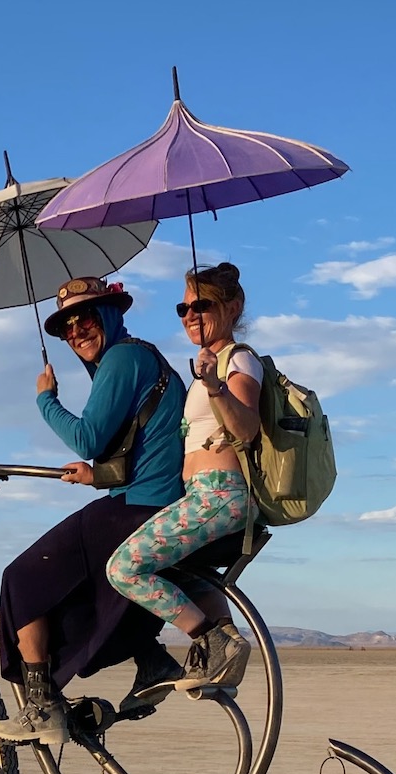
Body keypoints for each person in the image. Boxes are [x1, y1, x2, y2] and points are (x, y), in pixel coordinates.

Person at [0, 276, 188, 745]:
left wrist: (45, 399)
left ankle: (42, 706)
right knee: (78, 593)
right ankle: (152, 659)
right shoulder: (138, 357)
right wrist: (95, 476)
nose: (77, 330)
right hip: (145, 497)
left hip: (141, 506)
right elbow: (144, 446)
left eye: (86, 317)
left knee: (21, 579)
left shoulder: (122, 358)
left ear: (111, 314)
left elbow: (88, 438)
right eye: (66, 326)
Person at [105, 262, 257, 699]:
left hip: (220, 495)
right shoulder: (207, 367)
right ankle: (219, 650)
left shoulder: (237, 360)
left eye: (202, 305)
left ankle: (213, 641)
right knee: (178, 569)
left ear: (233, 307)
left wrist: (214, 386)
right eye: (183, 308)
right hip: (202, 495)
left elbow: (245, 427)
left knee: (124, 567)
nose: (190, 315)